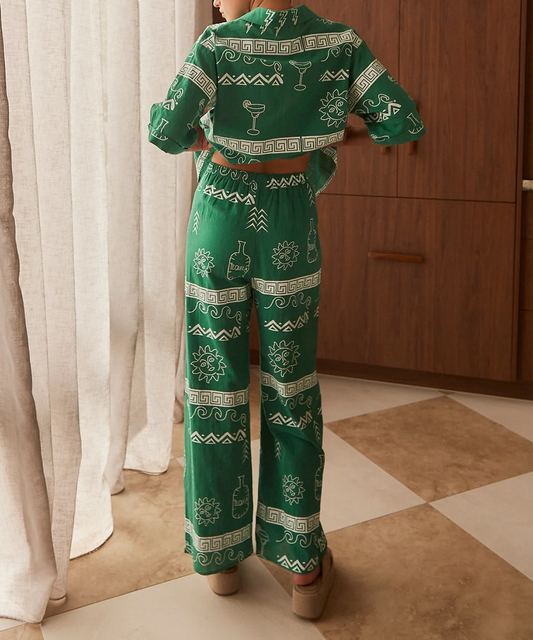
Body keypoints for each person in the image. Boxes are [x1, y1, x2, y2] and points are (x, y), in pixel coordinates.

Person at [148, 0, 425, 619]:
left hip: (219, 218)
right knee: (291, 385)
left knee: (215, 385)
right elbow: (401, 120)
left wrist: (205, 136)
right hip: (288, 225)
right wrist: (329, 133)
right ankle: (302, 568)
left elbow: (166, 130)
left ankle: (220, 558)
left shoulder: (218, 44)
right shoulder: (339, 44)